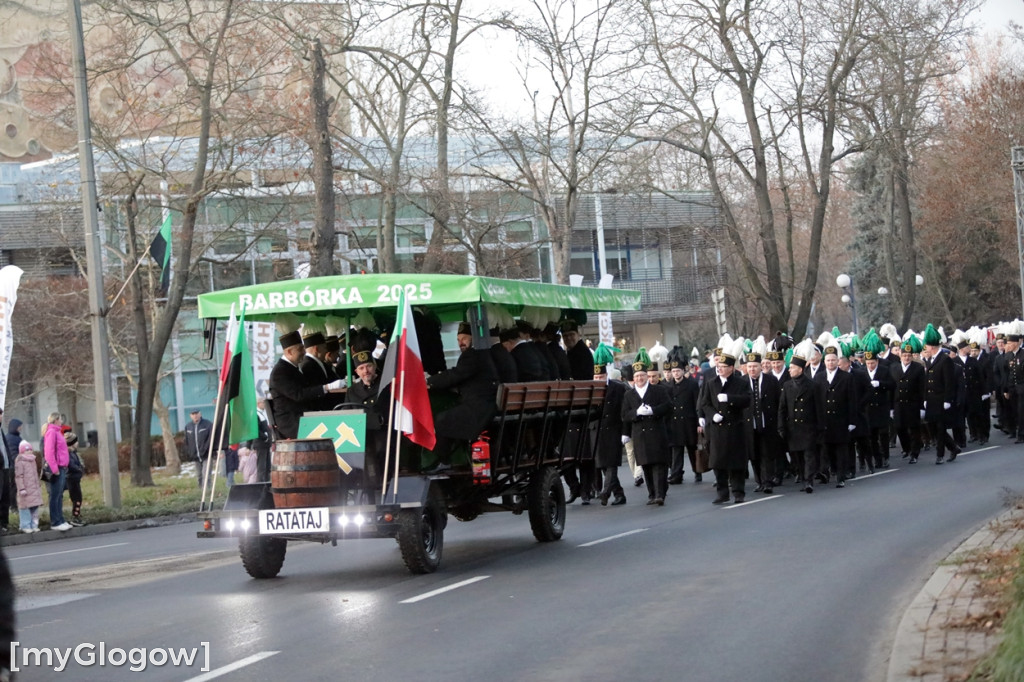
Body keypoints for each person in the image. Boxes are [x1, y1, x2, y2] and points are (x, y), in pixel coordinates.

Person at [426, 322, 500, 474]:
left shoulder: (473, 354)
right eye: (458, 339)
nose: (461, 343)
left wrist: (430, 382)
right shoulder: (482, 353)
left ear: (473, 338)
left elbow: (456, 374)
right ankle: (458, 459)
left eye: (464, 338)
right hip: (486, 405)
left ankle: (444, 461)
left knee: (441, 420)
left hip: (479, 408)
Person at [698, 337, 753, 504]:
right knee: (718, 462)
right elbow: (704, 402)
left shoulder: (740, 383)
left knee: (736, 463)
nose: (719, 369)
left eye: (723, 367)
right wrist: (711, 414)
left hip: (735, 426)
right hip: (716, 429)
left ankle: (738, 492)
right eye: (718, 367)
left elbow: (747, 400)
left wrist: (729, 398)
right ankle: (722, 493)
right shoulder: (710, 383)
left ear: (731, 368)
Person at [269, 329, 344, 440]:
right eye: (300, 349)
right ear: (289, 352)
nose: (304, 352)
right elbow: (298, 394)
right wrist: (327, 387)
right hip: (292, 422)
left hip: (304, 416)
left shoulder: (292, 368)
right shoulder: (279, 372)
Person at [621, 348, 672, 505]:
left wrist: (653, 411)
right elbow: (625, 415)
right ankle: (651, 494)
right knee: (646, 466)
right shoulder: (629, 395)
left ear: (646, 376)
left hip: (656, 432)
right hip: (640, 434)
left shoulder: (658, 390)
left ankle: (660, 494)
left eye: (642, 375)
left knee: (658, 464)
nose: (640, 378)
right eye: (637, 376)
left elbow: (669, 406)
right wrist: (636, 413)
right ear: (633, 378)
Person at [778, 339, 826, 493]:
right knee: (797, 456)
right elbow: (782, 408)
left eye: (792, 368)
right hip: (793, 427)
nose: (789, 370)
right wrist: (781, 426)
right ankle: (802, 475)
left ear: (800, 369)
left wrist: (820, 426)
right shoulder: (787, 386)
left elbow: (819, 406)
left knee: (809, 455)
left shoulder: (812, 385)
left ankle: (808, 480)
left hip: (808, 427)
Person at [347, 348, 388, 502]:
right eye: (362, 368)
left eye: (369, 366)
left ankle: (376, 494)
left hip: (382, 433)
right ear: (357, 372)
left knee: (376, 451)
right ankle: (366, 494)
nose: (366, 371)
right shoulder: (352, 391)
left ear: (375, 366)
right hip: (360, 436)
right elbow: (347, 413)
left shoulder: (386, 386)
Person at [744, 339, 783, 493]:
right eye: (750, 367)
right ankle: (759, 481)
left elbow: (778, 401)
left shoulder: (771, 380)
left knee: (767, 454)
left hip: (767, 423)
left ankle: (767, 482)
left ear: (761, 367)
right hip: (749, 424)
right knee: (754, 455)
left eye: (755, 366)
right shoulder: (742, 382)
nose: (752, 369)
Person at [922, 324, 961, 464]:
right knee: (932, 427)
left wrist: (947, 400)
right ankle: (953, 447)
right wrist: (925, 398)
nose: (925, 348)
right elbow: (927, 381)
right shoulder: (930, 360)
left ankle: (940, 455)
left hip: (941, 399)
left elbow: (949, 382)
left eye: (926, 346)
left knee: (939, 429)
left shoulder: (945, 360)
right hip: (931, 400)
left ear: (931, 346)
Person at [593, 345, 627, 506]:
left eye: (600, 377)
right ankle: (619, 494)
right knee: (603, 465)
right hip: (597, 431)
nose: (598, 379)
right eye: (595, 377)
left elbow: (623, 410)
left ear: (606, 375)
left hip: (613, 429)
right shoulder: (591, 390)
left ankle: (605, 492)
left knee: (611, 463)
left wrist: (625, 432)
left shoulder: (618, 388)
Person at [665, 347, 700, 484]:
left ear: (683, 370)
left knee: (692, 449)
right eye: (673, 371)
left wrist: (698, 423)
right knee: (676, 451)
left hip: (689, 422)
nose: (676, 373)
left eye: (678, 371)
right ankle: (676, 474)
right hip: (675, 423)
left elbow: (697, 404)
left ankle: (698, 471)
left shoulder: (691, 384)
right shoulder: (668, 386)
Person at [892, 334, 926, 463]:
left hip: (913, 403)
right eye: (904, 355)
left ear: (912, 356)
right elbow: (892, 387)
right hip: (899, 403)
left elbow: (922, 388)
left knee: (914, 429)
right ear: (900, 355)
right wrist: (891, 407)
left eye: (909, 355)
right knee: (900, 428)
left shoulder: (918, 368)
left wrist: (922, 406)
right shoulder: (894, 368)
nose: (906, 357)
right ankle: (906, 449)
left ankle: (915, 453)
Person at [42, 412, 72, 531]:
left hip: (61, 467)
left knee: (59, 495)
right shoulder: (51, 432)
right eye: (60, 419)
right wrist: (55, 469)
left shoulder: (56, 432)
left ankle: (60, 520)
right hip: (57, 469)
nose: (61, 421)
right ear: (55, 420)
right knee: (55, 496)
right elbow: (49, 453)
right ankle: (55, 521)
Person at [15, 440, 42, 532]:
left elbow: (35, 474)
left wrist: (38, 483)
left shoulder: (32, 460)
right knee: (25, 508)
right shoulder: (20, 461)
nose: (29, 451)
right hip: (25, 490)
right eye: (27, 450)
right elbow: (19, 476)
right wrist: (21, 488)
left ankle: (34, 524)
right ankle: (25, 525)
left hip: (33, 488)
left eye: (30, 449)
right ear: (22, 451)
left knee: (34, 507)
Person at [184, 409, 214, 487]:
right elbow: (187, 441)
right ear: (190, 416)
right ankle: (201, 492)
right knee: (199, 475)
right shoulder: (188, 426)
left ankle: (207, 491)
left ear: (200, 414)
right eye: (193, 414)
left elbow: (211, 439)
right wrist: (190, 452)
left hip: (207, 455)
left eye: (196, 413)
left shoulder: (208, 424)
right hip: (195, 455)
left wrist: (206, 449)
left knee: (206, 474)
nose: (195, 415)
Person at [64, 431, 86, 526]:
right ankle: (75, 516)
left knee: (78, 498)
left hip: (75, 478)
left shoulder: (73, 453)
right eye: (76, 441)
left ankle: (77, 515)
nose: (77, 443)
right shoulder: (68, 454)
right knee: (76, 498)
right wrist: (79, 469)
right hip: (71, 478)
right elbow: (71, 465)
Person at [0, 409, 11, 535]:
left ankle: (4, 524)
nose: (1, 417)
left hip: (6, 468)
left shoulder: (1, 430)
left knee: (5, 498)